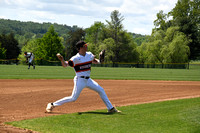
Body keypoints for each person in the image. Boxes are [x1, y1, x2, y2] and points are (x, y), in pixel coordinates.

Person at [46, 41, 120, 113]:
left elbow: (96, 61)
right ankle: (52, 104)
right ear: (80, 48)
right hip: (80, 80)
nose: (86, 47)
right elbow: (65, 65)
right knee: (73, 98)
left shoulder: (89, 55)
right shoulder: (75, 58)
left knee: (101, 90)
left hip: (88, 80)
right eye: (85, 46)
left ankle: (111, 108)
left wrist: (101, 59)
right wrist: (62, 60)